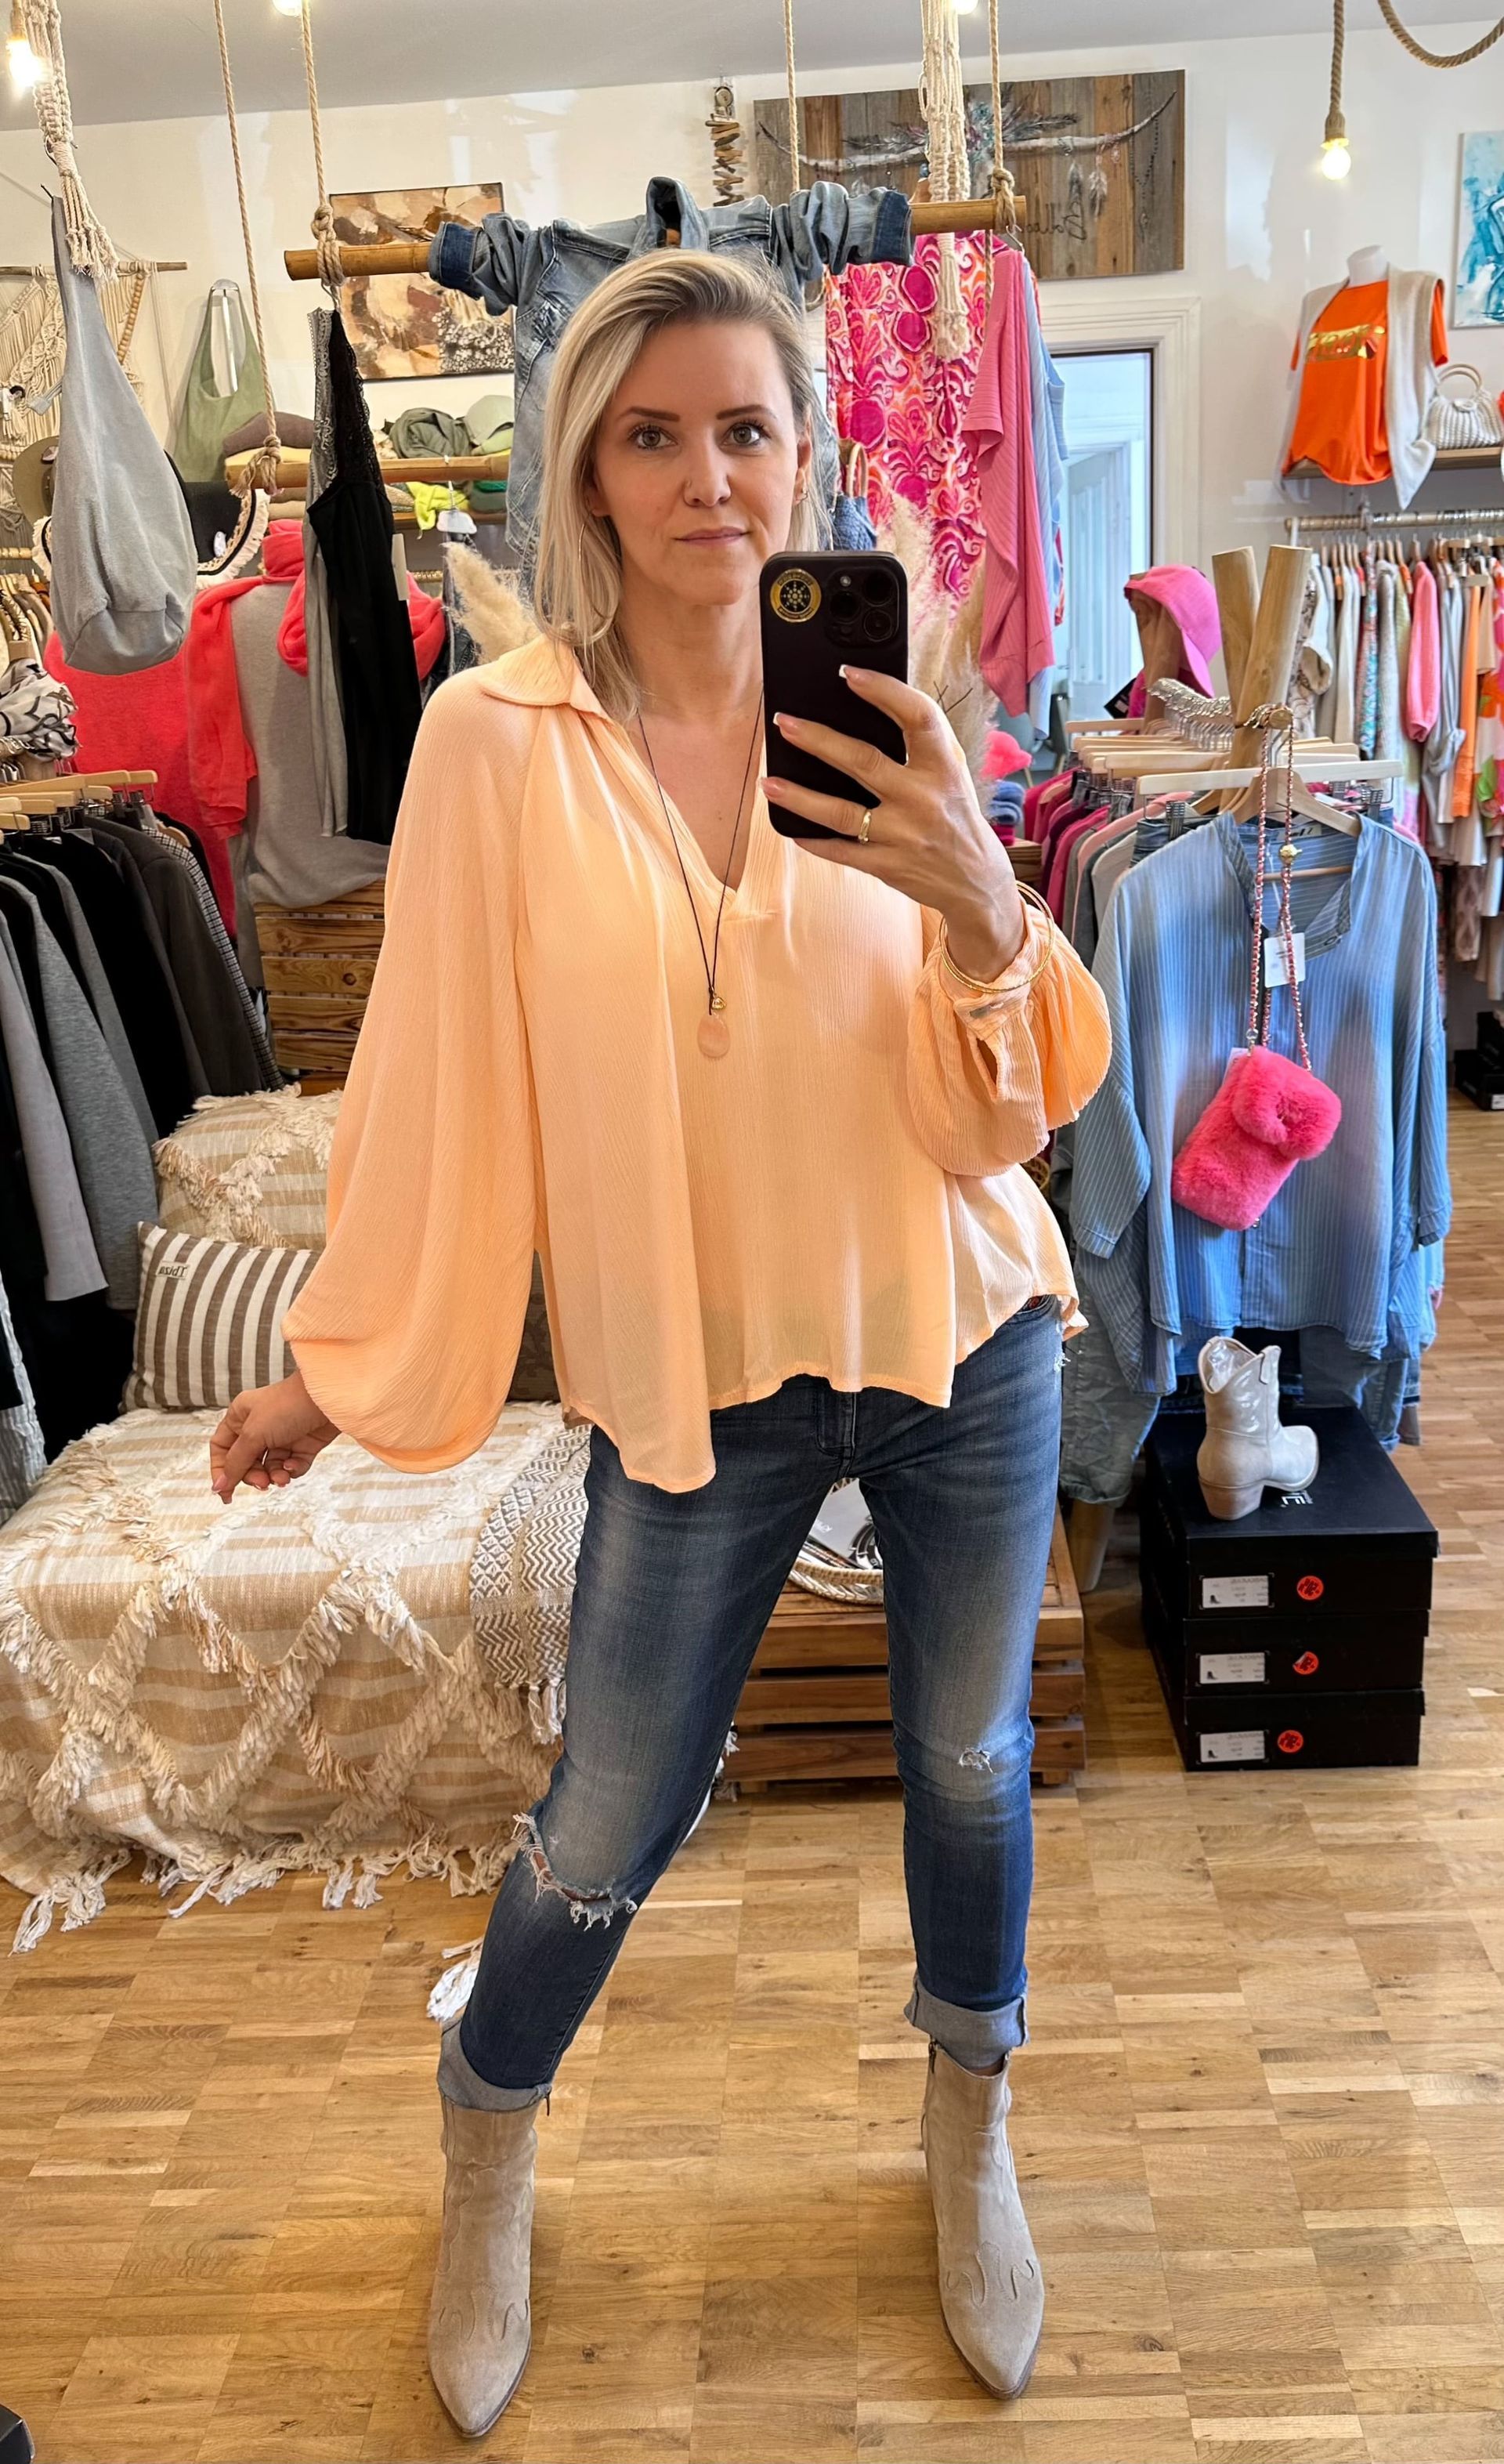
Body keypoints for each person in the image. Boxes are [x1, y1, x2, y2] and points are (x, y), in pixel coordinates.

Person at [209, 250, 1111, 2436]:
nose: (709, 477)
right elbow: (438, 1077)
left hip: (959, 1331)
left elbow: (1008, 1108)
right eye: (655, 434)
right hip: (698, 1376)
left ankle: (970, 2114)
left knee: (971, 1764)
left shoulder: (895, 700)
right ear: (590, 473)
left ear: (806, 458)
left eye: (747, 430)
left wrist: (986, 900)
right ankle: (488, 2124)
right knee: (613, 1800)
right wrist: (340, 1367)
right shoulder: (493, 746)